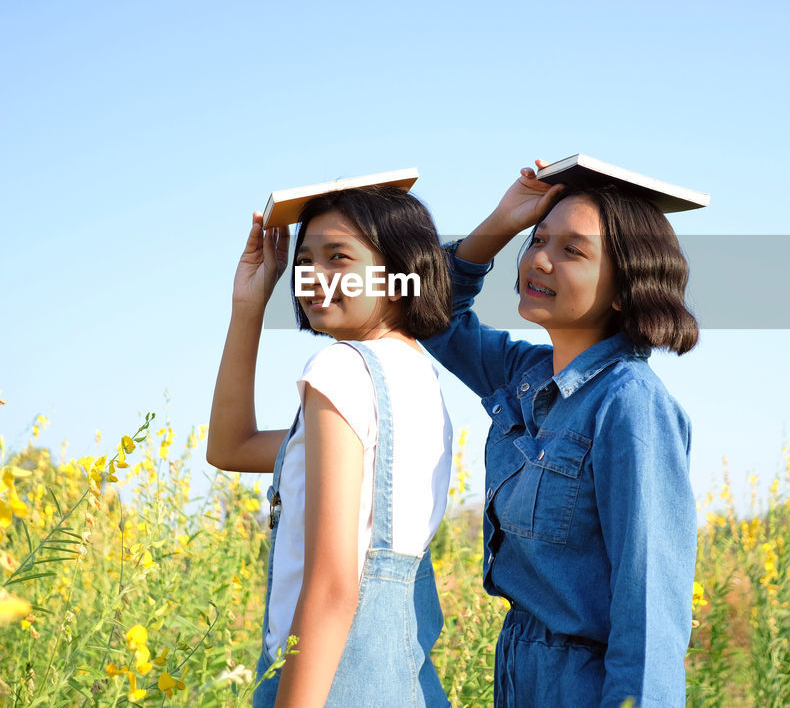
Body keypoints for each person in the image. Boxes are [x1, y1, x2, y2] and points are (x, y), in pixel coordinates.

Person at [421, 162, 699, 708]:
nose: (539, 259)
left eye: (573, 250)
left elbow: (650, 611)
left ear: (626, 289)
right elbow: (433, 311)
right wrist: (503, 221)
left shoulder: (630, 405)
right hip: (520, 672)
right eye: (537, 239)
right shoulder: (523, 376)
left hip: (586, 686)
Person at [206, 185, 454, 708]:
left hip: (326, 680)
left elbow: (332, 583)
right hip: (399, 679)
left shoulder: (341, 368)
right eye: (304, 261)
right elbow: (233, 447)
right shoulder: (416, 376)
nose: (313, 277)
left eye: (338, 257)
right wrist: (250, 302)